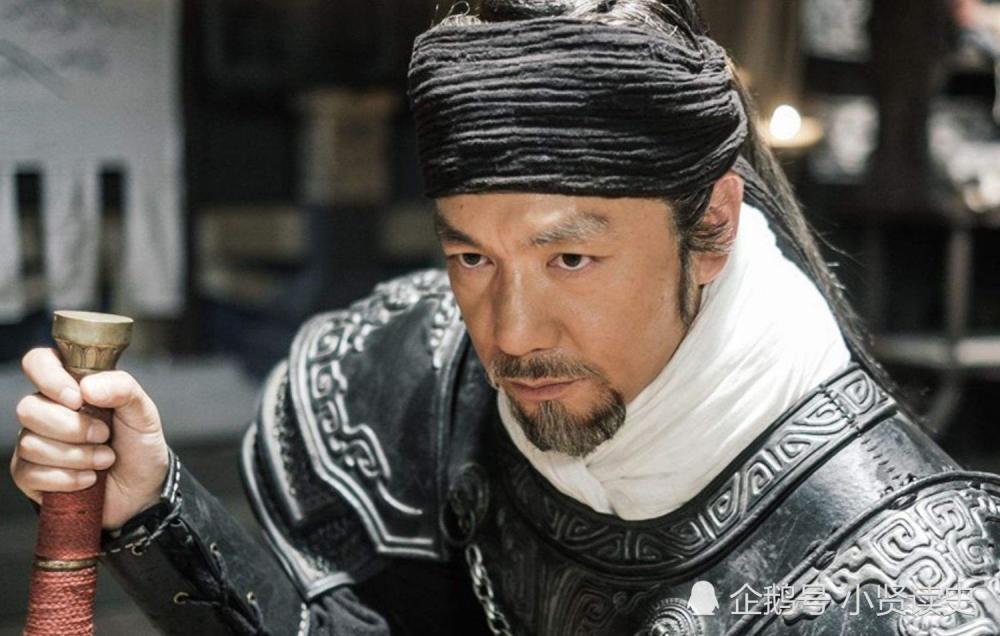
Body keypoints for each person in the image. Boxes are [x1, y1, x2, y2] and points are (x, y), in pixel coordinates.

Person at [11, 1, 1000, 634]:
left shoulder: (906, 583)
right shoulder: (406, 381)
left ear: (710, 228)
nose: (512, 333)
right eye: (471, 257)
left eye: (570, 258)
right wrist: (151, 508)